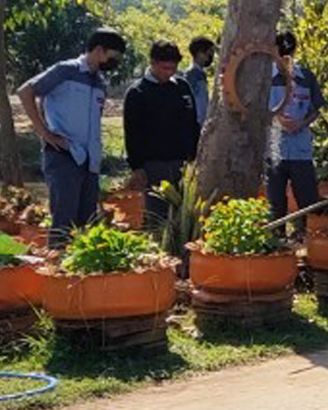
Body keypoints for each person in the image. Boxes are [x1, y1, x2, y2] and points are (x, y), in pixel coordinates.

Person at [19, 27, 127, 247]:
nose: (115, 63)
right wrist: (43, 130)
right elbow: (27, 91)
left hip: (89, 159)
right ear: (99, 50)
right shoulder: (66, 71)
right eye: (113, 57)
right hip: (63, 154)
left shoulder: (100, 82)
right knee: (63, 220)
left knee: (87, 224)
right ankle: (57, 270)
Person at [123, 40, 199, 241]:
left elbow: (193, 123)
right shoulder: (137, 93)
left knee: (184, 217)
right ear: (153, 63)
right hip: (154, 164)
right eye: (165, 68)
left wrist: (196, 155)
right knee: (157, 217)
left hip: (183, 164)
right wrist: (137, 167)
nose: (169, 73)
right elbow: (131, 133)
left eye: (173, 68)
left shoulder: (182, 87)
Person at [266, 31, 323, 220]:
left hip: (301, 149)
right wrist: (277, 119)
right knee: (275, 204)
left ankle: (309, 240)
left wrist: (302, 123)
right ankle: (277, 242)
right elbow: (258, 110)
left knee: (308, 201)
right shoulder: (265, 78)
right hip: (273, 149)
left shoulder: (306, 77)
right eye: (280, 51)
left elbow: (316, 108)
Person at [184, 36, 216, 131]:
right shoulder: (194, 75)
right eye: (209, 52)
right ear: (200, 53)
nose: (211, 56)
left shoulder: (197, 74)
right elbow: (200, 106)